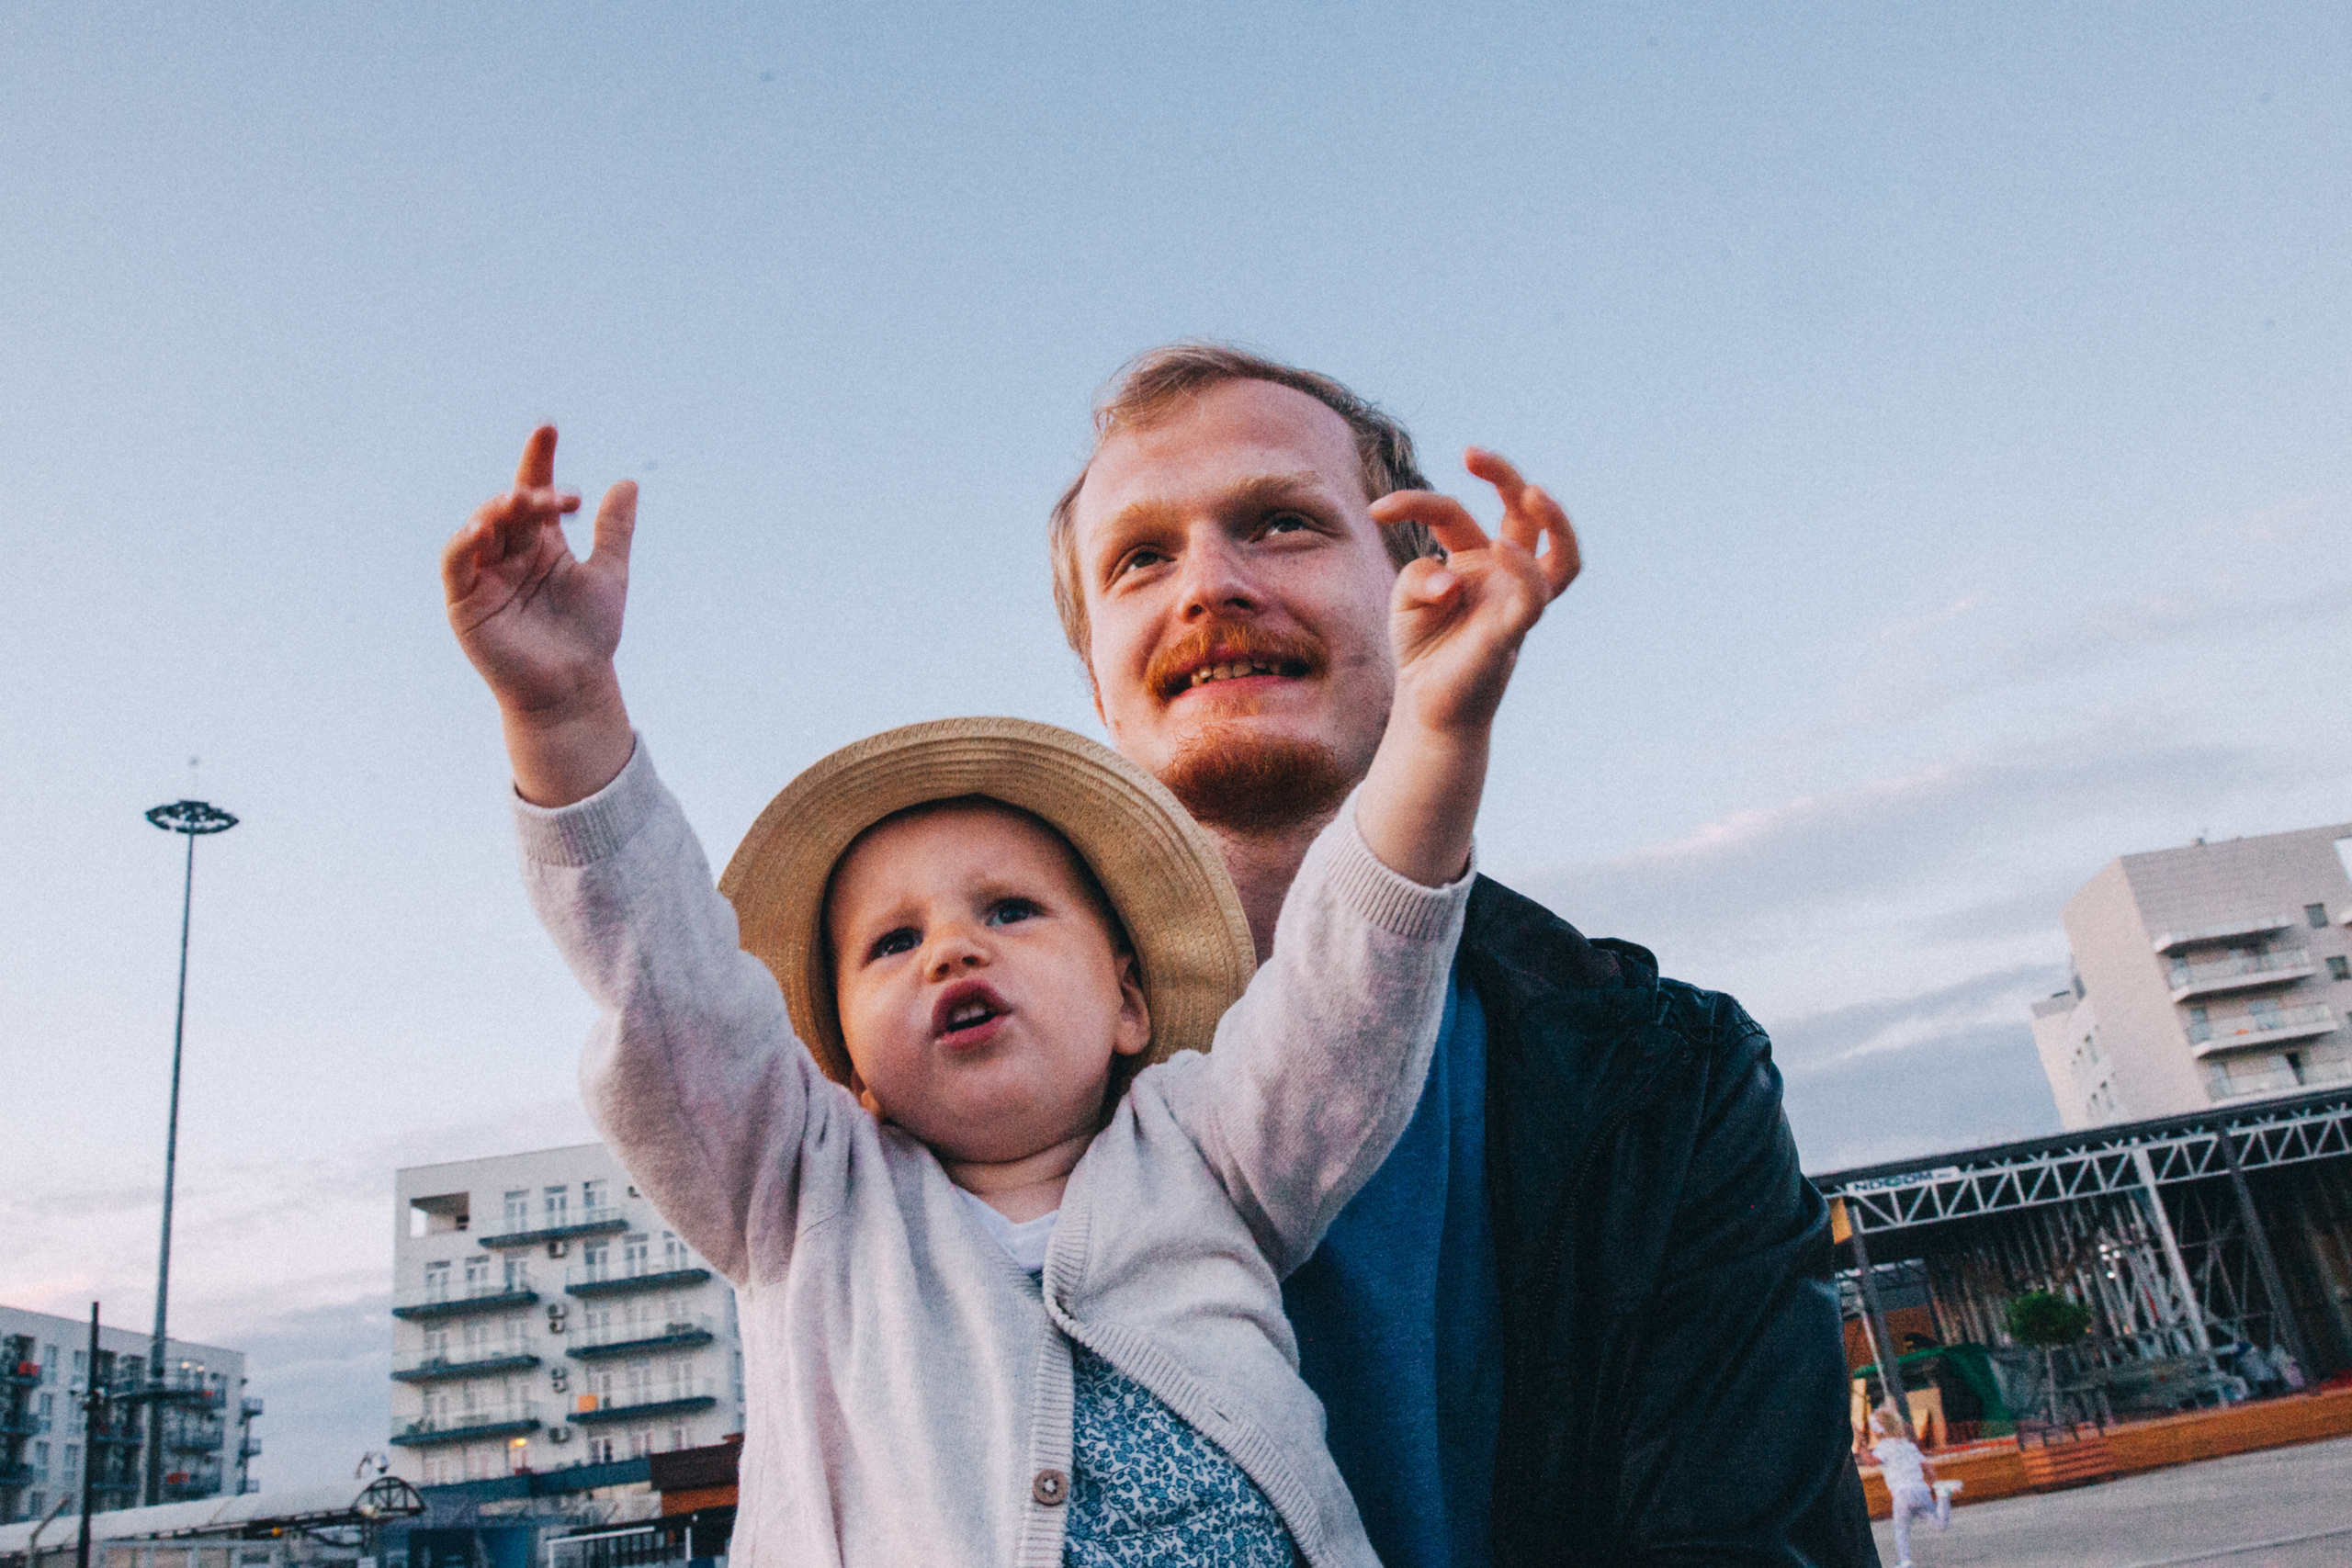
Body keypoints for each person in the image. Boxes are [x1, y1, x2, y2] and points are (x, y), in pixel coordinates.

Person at [437, 423, 1569, 1564]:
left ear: (1129, 1004)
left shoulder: (1216, 1154)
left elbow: (1351, 983)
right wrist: (563, 711)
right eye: (891, 943)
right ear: (844, 1058)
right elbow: (663, 979)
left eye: (1012, 911)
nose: (951, 952)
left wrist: (1438, 726)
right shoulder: (797, 1189)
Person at [1047, 343, 1878, 1565]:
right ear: (1095, 687)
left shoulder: (1672, 1083)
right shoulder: (936, 1103)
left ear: (1422, 590)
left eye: (1280, 523)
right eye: (1140, 557)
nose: (1209, 584)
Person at [1865, 1411, 1953, 1568]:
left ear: (1878, 1431)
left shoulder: (1884, 1447)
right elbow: (1927, 1467)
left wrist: (1861, 1446)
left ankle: (1905, 1560)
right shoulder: (1909, 1446)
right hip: (1920, 1490)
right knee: (1939, 1523)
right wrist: (1934, 1484)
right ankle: (1943, 1495)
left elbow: (1872, 1462)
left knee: (1901, 1528)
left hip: (1902, 1494)